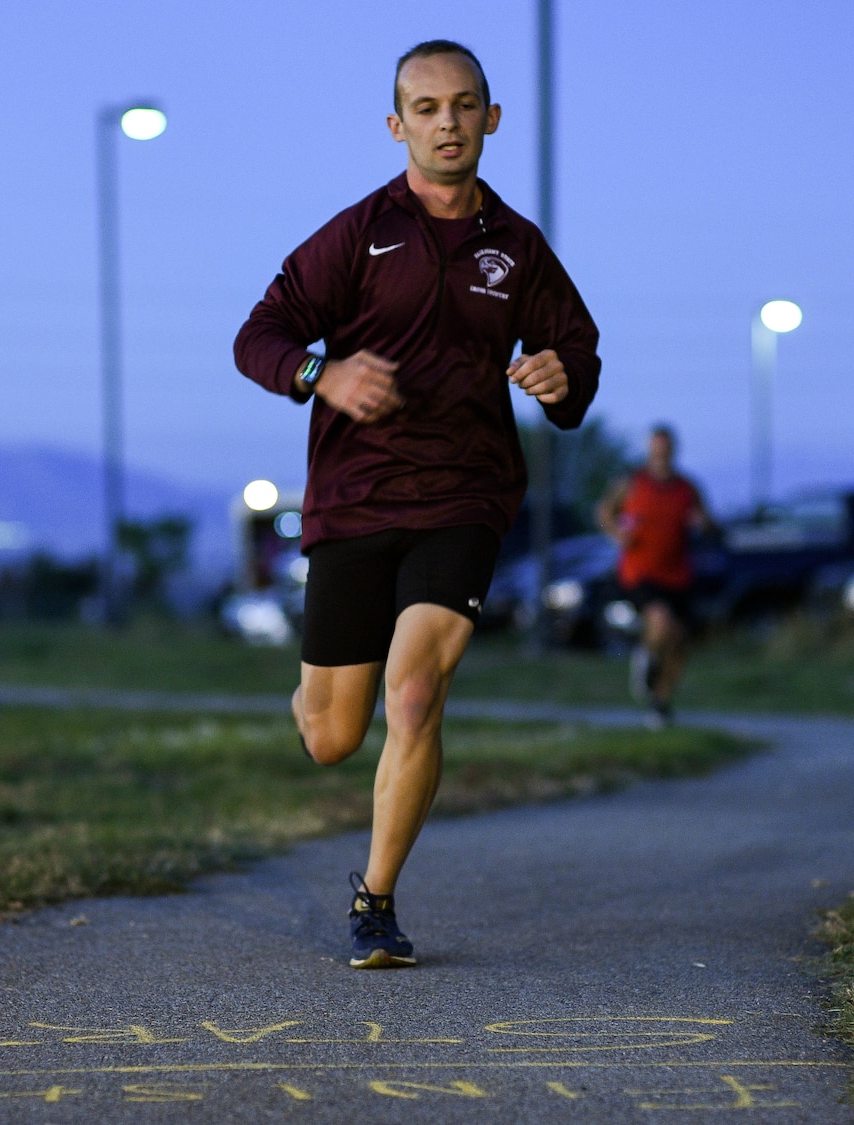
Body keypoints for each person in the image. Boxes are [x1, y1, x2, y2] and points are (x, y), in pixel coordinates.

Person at [233, 39, 601, 968]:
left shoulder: (517, 249)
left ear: (492, 119)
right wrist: (323, 372)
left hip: (464, 495)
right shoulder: (359, 234)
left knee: (416, 692)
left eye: (466, 105)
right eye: (428, 109)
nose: (449, 123)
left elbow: (578, 361)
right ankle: (311, 696)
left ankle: (376, 899)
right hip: (354, 499)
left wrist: (562, 381)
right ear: (398, 126)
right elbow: (260, 335)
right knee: (331, 736)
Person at [596, 425, 713, 726]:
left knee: (679, 642)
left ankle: (659, 703)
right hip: (640, 571)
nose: (661, 454)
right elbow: (605, 512)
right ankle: (645, 657)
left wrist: (702, 523)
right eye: (656, 449)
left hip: (677, 573)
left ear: (673, 450)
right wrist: (617, 533)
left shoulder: (687, 488)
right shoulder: (633, 482)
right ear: (650, 451)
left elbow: (708, 521)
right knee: (660, 621)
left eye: (666, 448)